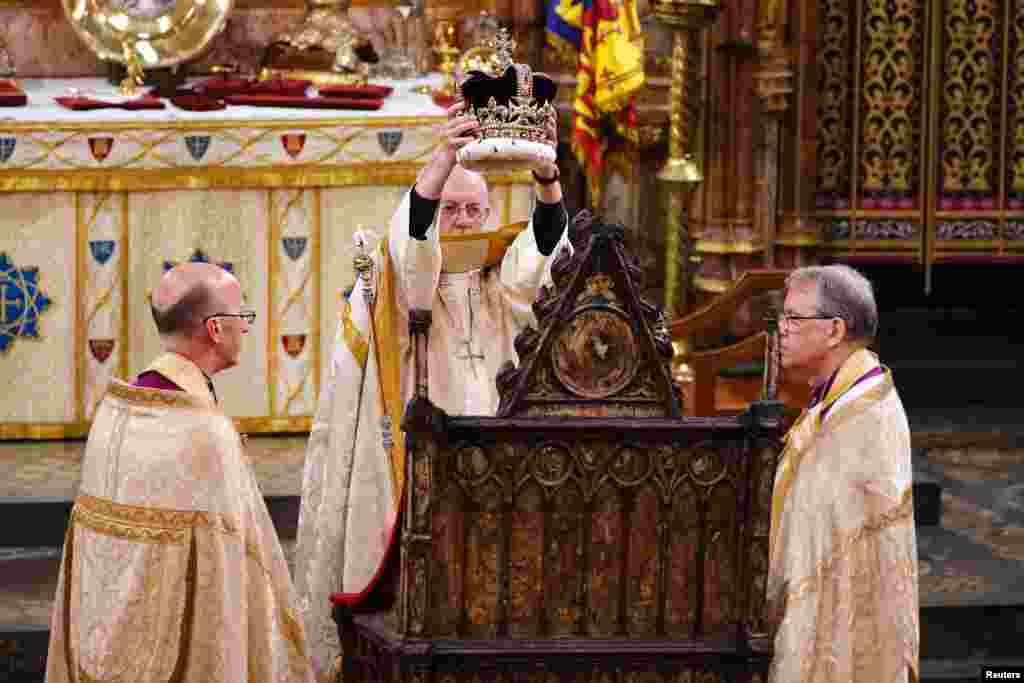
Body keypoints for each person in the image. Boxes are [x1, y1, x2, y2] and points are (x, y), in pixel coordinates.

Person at [294, 101, 570, 678]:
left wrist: (547, 180)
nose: (466, 220)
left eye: (476, 209)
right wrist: (443, 160)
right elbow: (415, 253)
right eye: (453, 209)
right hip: (418, 449)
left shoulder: (497, 273)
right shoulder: (399, 277)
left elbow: (540, 262)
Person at [46, 262, 314, 683]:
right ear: (215, 329)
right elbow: (226, 577)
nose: (246, 327)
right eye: (241, 316)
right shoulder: (205, 432)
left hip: (99, 652)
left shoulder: (114, 410)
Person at [767, 265, 918, 683]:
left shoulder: (863, 414)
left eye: (794, 318)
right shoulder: (839, 397)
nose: (782, 328)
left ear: (834, 330)